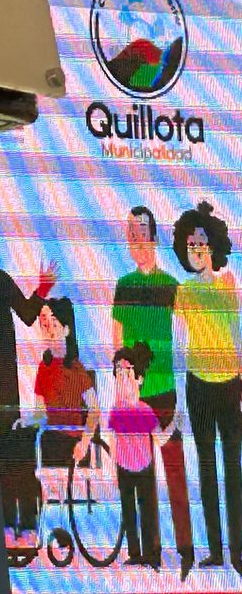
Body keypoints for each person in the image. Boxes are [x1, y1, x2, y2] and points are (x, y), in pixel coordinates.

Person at [111, 204, 195, 576]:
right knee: (141, 479)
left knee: (175, 473)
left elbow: (188, 335)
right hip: (134, 398)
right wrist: (121, 392)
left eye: (141, 230)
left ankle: (187, 552)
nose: (136, 238)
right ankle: (150, 554)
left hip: (166, 393)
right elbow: (116, 343)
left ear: (154, 237)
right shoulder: (124, 285)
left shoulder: (170, 285)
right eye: (130, 232)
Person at [0, 216, 53, 550]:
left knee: (10, 445)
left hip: (4, 372)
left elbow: (28, 314)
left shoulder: (2, 279)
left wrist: (42, 289)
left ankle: (13, 522)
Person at [173, 200, 242, 574]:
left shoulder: (229, 286)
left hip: (230, 385)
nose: (196, 250)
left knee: (233, 470)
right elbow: (180, 346)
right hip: (198, 386)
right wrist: (180, 403)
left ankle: (238, 552)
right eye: (190, 245)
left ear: (213, 245)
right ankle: (216, 550)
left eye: (201, 243)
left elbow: (237, 334)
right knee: (206, 469)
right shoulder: (184, 291)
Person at [108, 341, 176, 568]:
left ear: (139, 379)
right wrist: (113, 469)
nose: (122, 379)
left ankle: (152, 554)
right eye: (118, 374)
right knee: (129, 511)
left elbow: (159, 438)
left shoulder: (145, 410)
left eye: (127, 373)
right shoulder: (116, 409)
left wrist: (175, 423)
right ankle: (135, 553)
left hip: (144, 466)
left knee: (147, 511)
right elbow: (113, 439)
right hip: (123, 467)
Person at [32, 296, 100, 471]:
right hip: (50, 439)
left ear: (67, 329)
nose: (49, 331)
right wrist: (26, 421)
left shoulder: (76, 368)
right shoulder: (43, 368)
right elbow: (39, 413)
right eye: (45, 325)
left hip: (73, 440)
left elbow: (94, 410)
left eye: (54, 324)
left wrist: (84, 442)